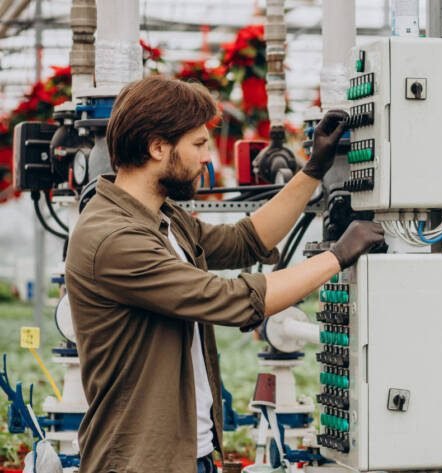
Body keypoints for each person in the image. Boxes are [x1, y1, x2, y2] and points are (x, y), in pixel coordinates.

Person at [64, 75, 384, 473]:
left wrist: (313, 170)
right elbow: (230, 298)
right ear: (157, 146)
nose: (207, 158)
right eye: (198, 144)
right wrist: (337, 257)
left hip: (187, 453)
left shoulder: (161, 218)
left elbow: (244, 240)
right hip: (141, 462)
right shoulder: (113, 238)